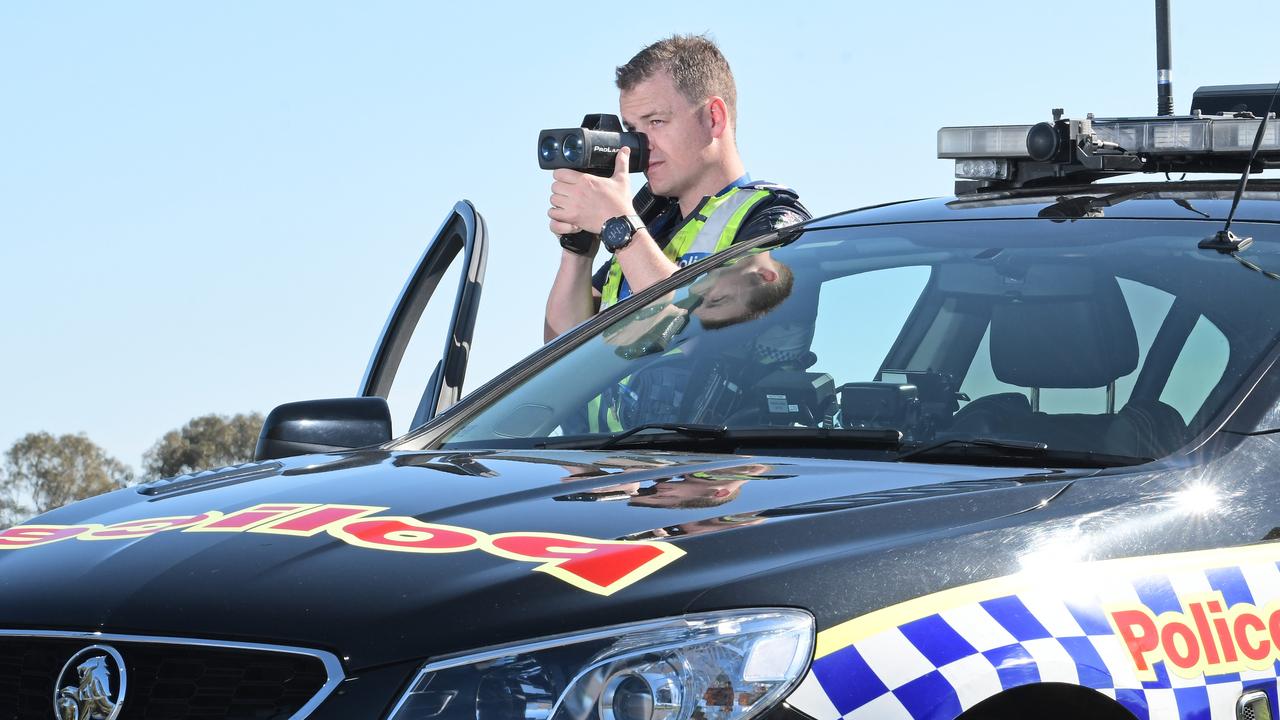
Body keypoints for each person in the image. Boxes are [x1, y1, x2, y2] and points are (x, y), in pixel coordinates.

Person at [544, 34, 810, 342]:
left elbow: (699, 330)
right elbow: (559, 348)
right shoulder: (650, 225)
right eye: (632, 129)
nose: (642, 144)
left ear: (714, 118)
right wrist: (578, 248)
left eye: (655, 122)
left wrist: (621, 228)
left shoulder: (776, 220)